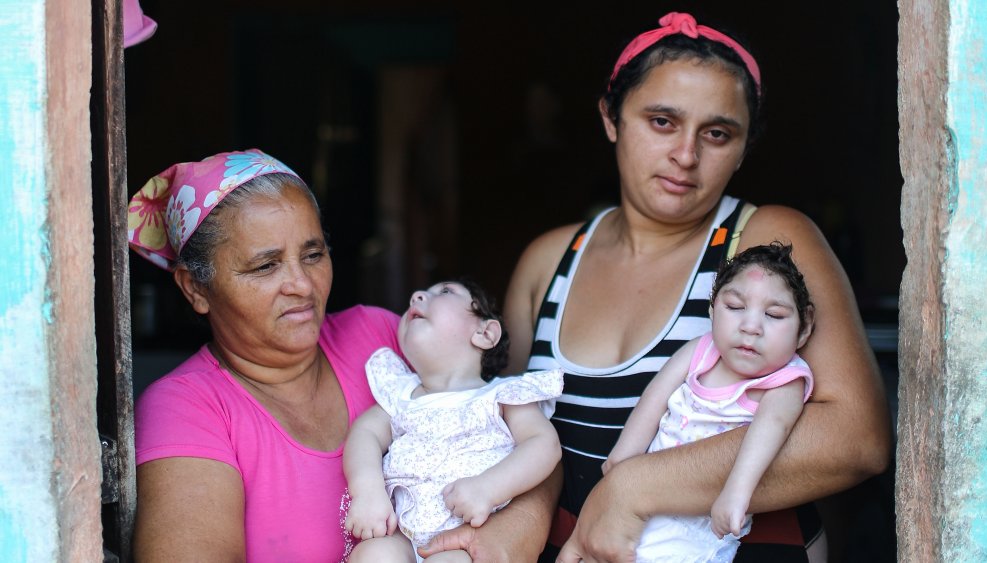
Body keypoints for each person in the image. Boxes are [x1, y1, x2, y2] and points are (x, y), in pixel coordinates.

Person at [498, 12, 892, 563]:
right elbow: (496, 425)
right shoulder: (550, 260)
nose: (686, 156)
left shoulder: (768, 242)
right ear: (611, 118)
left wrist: (634, 489)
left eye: (717, 133)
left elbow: (858, 439)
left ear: (745, 145)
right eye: (662, 121)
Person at [128, 150, 552, 562]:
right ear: (195, 288)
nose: (301, 284)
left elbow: (529, 446)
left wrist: (508, 536)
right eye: (265, 266)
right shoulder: (185, 408)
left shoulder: (381, 338)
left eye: (313, 255)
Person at [603, 243, 815, 562]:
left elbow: (772, 428)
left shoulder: (784, 380)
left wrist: (736, 494)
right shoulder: (700, 351)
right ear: (713, 310)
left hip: (702, 519)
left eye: (773, 314)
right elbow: (655, 397)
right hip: (645, 497)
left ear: (804, 327)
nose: (751, 326)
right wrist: (623, 456)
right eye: (734, 307)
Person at [344, 279, 563, 563]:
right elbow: (365, 434)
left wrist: (489, 487)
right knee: (372, 554)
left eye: (445, 291)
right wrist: (368, 490)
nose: (417, 295)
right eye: (420, 293)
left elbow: (544, 444)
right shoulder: (400, 394)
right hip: (403, 535)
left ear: (485, 332)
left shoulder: (501, 396)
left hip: (469, 538)